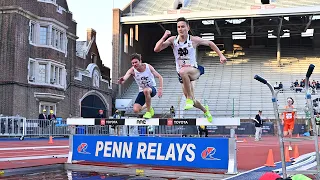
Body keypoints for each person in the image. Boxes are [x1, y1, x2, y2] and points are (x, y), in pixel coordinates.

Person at [154, 17, 227, 122]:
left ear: (188, 27)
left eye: (183, 26)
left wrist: (221, 56)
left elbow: (210, 43)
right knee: (192, 100)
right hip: (182, 75)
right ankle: (205, 111)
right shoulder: (172, 40)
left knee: (183, 71)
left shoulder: (193, 40)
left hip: (194, 70)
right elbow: (156, 49)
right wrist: (164, 36)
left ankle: (188, 99)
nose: (180, 29)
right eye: (178, 27)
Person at [118, 53, 163, 119]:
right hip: (142, 91)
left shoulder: (148, 67)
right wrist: (122, 80)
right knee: (136, 110)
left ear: (140, 61)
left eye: (136, 62)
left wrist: (160, 89)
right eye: (132, 63)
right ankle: (149, 107)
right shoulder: (132, 70)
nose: (134, 64)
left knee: (146, 90)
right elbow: (125, 77)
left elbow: (160, 77)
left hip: (152, 89)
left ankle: (148, 112)